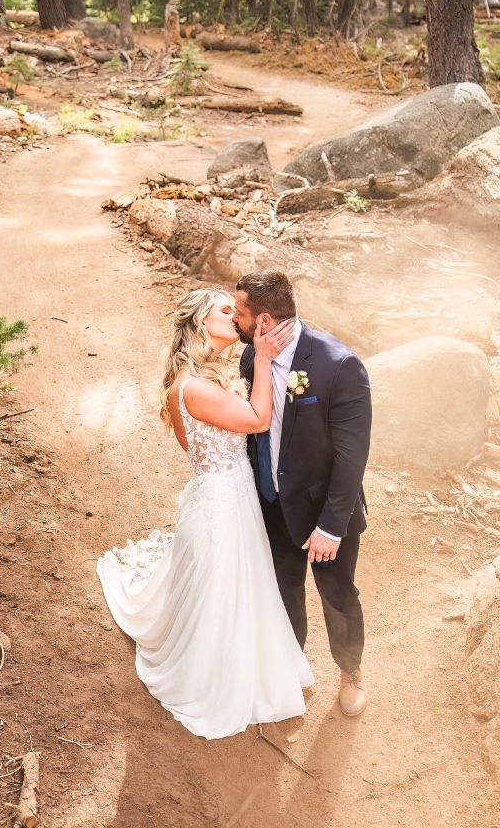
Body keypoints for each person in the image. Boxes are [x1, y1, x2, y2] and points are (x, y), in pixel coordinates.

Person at [97, 289, 313, 740]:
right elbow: (256, 420)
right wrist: (264, 358)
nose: (236, 318)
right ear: (200, 322)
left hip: (227, 494)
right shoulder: (194, 386)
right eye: (225, 310)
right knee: (224, 590)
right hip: (221, 504)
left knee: (241, 585)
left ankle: (250, 663)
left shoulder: (206, 375)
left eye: (236, 311)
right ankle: (217, 680)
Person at [234, 271, 372, 717]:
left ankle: (350, 671)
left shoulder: (338, 365)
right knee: (282, 590)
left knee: (337, 593)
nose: (235, 320)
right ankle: (290, 669)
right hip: (272, 503)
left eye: (240, 313)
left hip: (324, 511)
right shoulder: (250, 357)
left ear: (265, 320)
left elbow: (352, 457)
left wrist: (331, 526)